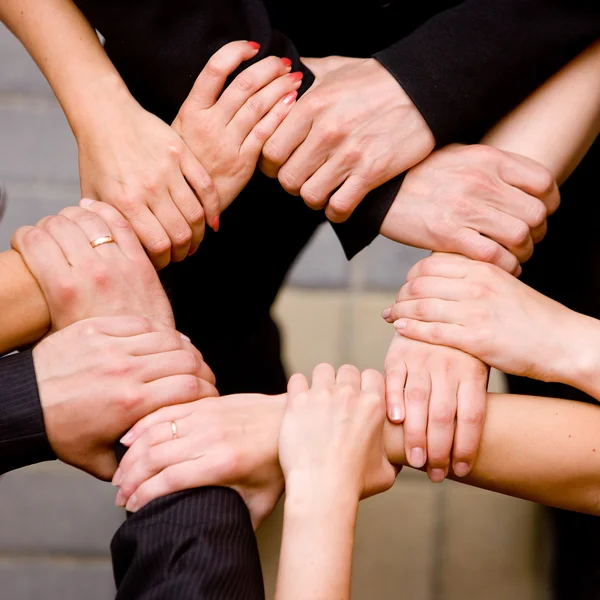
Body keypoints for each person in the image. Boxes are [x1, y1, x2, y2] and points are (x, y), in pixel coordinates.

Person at [2, 0, 598, 483]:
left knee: (565, 294)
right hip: (216, 59)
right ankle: (222, 471)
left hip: (519, 38)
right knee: (202, 317)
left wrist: (428, 83)